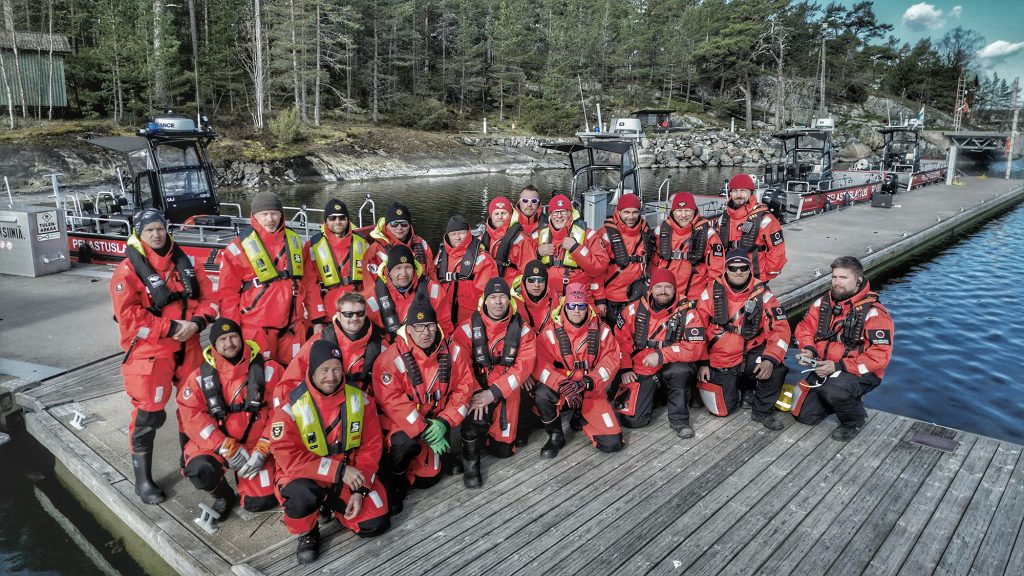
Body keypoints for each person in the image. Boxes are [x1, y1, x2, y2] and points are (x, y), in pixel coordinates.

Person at [110, 208, 217, 504]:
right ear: (139, 235)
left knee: (192, 407)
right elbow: (130, 319)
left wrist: (197, 323)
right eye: (149, 231)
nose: (156, 235)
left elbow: (210, 300)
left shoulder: (188, 263)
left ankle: (191, 460)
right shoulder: (127, 272)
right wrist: (170, 327)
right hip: (151, 353)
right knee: (148, 416)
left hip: (189, 345)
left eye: (159, 229)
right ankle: (142, 481)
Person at [270, 340, 390, 564]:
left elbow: (371, 448)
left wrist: (361, 490)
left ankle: (334, 506)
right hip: (305, 476)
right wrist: (339, 471)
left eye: (336, 368)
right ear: (312, 371)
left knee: (376, 523)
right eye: (324, 370)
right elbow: (290, 459)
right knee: (300, 495)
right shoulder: (289, 409)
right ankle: (308, 532)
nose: (331, 376)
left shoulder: (361, 400)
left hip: (348, 476)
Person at [371, 296, 474, 512]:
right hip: (403, 426)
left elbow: (464, 388)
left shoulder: (453, 352)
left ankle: (434, 461)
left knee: (427, 481)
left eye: (429, 326)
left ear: (437, 327)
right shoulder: (389, 360)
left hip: (437, 422)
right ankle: (395, 480)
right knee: (403, 445)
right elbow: (393, 403)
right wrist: (424, 428)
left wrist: (445, 422)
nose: (425, 332)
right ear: (408, 329)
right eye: (418, 327)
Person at [177, 320, 282, 517]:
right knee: (200, 469)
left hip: (256, 445)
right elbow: (191, 416)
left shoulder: (270, 370)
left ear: (241, 338)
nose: (229, 343)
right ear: (214, 345)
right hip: (218, 443)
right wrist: (226, 447)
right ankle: (224, 496)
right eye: (222, 339)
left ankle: (254, 482)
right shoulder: (199, 378)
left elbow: (281, 412)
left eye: (233, 337)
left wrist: (263, 448)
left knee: (260, 502)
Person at [792, 256, 894, 441]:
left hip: (861, 371)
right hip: (824, 367)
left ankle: (854, 420)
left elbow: (879, 357)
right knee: (804, 415)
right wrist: (808, 349)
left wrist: (839, 367)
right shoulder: (823, 304)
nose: (837, 282)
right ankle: (838, 399)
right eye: (834, 277)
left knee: (834, 391)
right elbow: (805, 327)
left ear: (858, 280)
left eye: (844, 278)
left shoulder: (875, 314)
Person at [453, 278, 536, 488]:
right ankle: (470, 459)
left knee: (504, 451)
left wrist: (495, 392)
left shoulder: (523, 330)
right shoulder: (466, 329)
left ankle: (492, 436)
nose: (498, 302)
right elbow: (460, 367)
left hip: (505, 391)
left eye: (502, 297)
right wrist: (476, 391)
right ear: (484, 300)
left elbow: (523, 367)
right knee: (474, 415)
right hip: (477, 389)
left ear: (509, 300)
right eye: (493, 297)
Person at [695, 250, 789, 430]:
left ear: (749, 269)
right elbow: (697, 332)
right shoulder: (708, 296)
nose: (738, 272)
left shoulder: (765, 297)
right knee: (721, 410)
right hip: (721, 358)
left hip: (751, 354)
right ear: (726, 270)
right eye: (733, 267)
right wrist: (702, 362)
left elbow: (780, 330)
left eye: (743, 267)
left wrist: (770, 359)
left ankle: (762, 411)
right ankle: (740, 388)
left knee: (777, 368)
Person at [217, 191, 309, 365]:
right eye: (264, 214)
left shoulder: (296, 241)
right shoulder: (237, 248)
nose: (270, 219)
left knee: (294, 375)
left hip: (292, 328)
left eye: (274, 213)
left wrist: (316, 317)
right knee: (259, 378)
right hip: (257, 330)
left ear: (281, 214)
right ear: (254, 216)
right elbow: (227, 293)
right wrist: (232, 330)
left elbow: (309, 283)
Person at [533, 283, 623, 458]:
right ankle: (555, 435)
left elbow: (611, 361)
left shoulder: (602, 331)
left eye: (581, 306)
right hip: (563, 388)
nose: (576, 310)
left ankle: (580, 416)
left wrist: (589, 381)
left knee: (612, 443)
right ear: (565, 306)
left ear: (587, 306)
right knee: (542, 394)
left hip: (590, 389)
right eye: (572, 306)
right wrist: (560, 384)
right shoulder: (550, 332)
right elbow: (540, 365)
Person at [613, 269, 706, 437]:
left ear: (675, 289)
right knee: (633, 421)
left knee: (680, 371)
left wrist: (662, 355)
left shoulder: (689, 313)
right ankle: (656, 396)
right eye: (659, 286)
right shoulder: (632, 311)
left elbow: (695, 348)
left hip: (671, 365)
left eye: (668, 287)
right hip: (643, 368)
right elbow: (620, 341)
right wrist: (625, 368)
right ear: (651, 290)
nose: (663, 291)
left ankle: (680, 420)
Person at [282, 292, 384, 393]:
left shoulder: (379, 342)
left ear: (365, 314)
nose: (354, 318)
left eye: (359, 313)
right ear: (338, 316)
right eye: (348, 314)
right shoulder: (319, 341)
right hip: (326, 400)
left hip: (364, 399)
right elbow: (290, 380)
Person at [303, 198, 369, 326]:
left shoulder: (362, 242)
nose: (337, 222)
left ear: (348, 220)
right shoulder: (312, 246)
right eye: (332, 218)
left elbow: (370, 280)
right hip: (328, 314)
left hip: (357, 313)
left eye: (342, 218)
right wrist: (317, 320)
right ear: (325, 221)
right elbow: (310, 285)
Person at [652, 191, 725, 301]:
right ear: (673, 211)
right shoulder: (661, 232)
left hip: (694, 297)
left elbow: (717, 270)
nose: (683, 215)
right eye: (679, 211)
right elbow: (654, 262)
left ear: (694, 210)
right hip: (665, 295)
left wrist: (708, 298)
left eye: (687, 210)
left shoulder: (709, 235)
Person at [364, 244, 448, 339]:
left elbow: (445, 327)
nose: (404, 273)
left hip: (425, 345)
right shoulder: (371, 296)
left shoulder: (434, 291)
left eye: (408, 267)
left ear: (414, 269)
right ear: (388, 271)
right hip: (389, 346)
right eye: (398, 268)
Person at [533, 194, 605, 303]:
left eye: (563, 212)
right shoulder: (537, 236)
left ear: (571, 214)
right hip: (548, 298)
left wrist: (575, 248)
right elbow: (524, 265)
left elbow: (599, 267)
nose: (559, 216)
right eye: (555, 212)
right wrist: (537, 253)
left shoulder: (588, 235)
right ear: (550, 215)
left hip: (580, 299)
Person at [594, 193, 654, 324]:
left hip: (639, 297)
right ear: (618, 211)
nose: (631, 217)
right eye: (626, 212)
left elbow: (653, 263)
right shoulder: (605, 234)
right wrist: (600, 300)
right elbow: (597, 272)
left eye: (635, 212)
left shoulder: (646, 233)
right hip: (612, 300)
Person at [716, 173, 787, 281]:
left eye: (743, 190)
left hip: (756, 279)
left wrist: (764, 276)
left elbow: (777, 251)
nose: (739, 195)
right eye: (735, 191)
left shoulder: (765, 219)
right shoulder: (723, 219)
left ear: (751, 192)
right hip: (728, 278)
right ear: (730, 193)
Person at [434, 215, 499, 329]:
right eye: (453, 234)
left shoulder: (483, 260)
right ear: (448, 236)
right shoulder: (440, 257)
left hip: (471, 320)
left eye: (461, 233)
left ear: (469, 233)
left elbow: (488, 295)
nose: (457, 237)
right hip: (443, 320)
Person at [364, 203, 435, 279]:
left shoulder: (422, 244)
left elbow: (432, 275)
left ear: (409, 225)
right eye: (394, 224)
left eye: (404, 223)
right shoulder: (375, 249)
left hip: (422, 288)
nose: (399, 227)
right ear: (386, 225)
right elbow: (371, 285)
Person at [481, 196, 537, 283]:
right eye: (496, 214)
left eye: (503, 213)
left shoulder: (522, 241)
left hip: (511, 291)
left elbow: (528, 273)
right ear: (491, 216)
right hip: (489, 290)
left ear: (510, 215)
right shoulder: (482, 238)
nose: (500, 217)